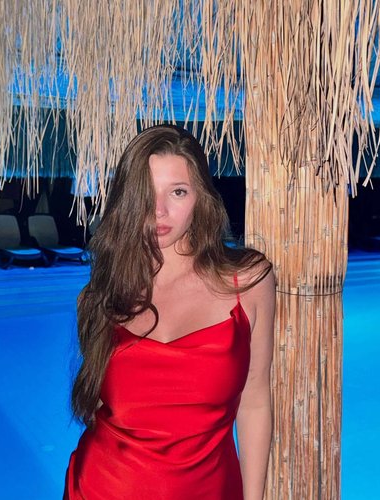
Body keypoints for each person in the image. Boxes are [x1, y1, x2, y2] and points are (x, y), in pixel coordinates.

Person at [64, 124, 275, 500]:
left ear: (201, 197)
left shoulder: (248, 281)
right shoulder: (101, 298)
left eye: (178, 192)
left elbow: (255, 400)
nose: (159, 210)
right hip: (101, 487)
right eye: (146, 194)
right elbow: (98, 408)